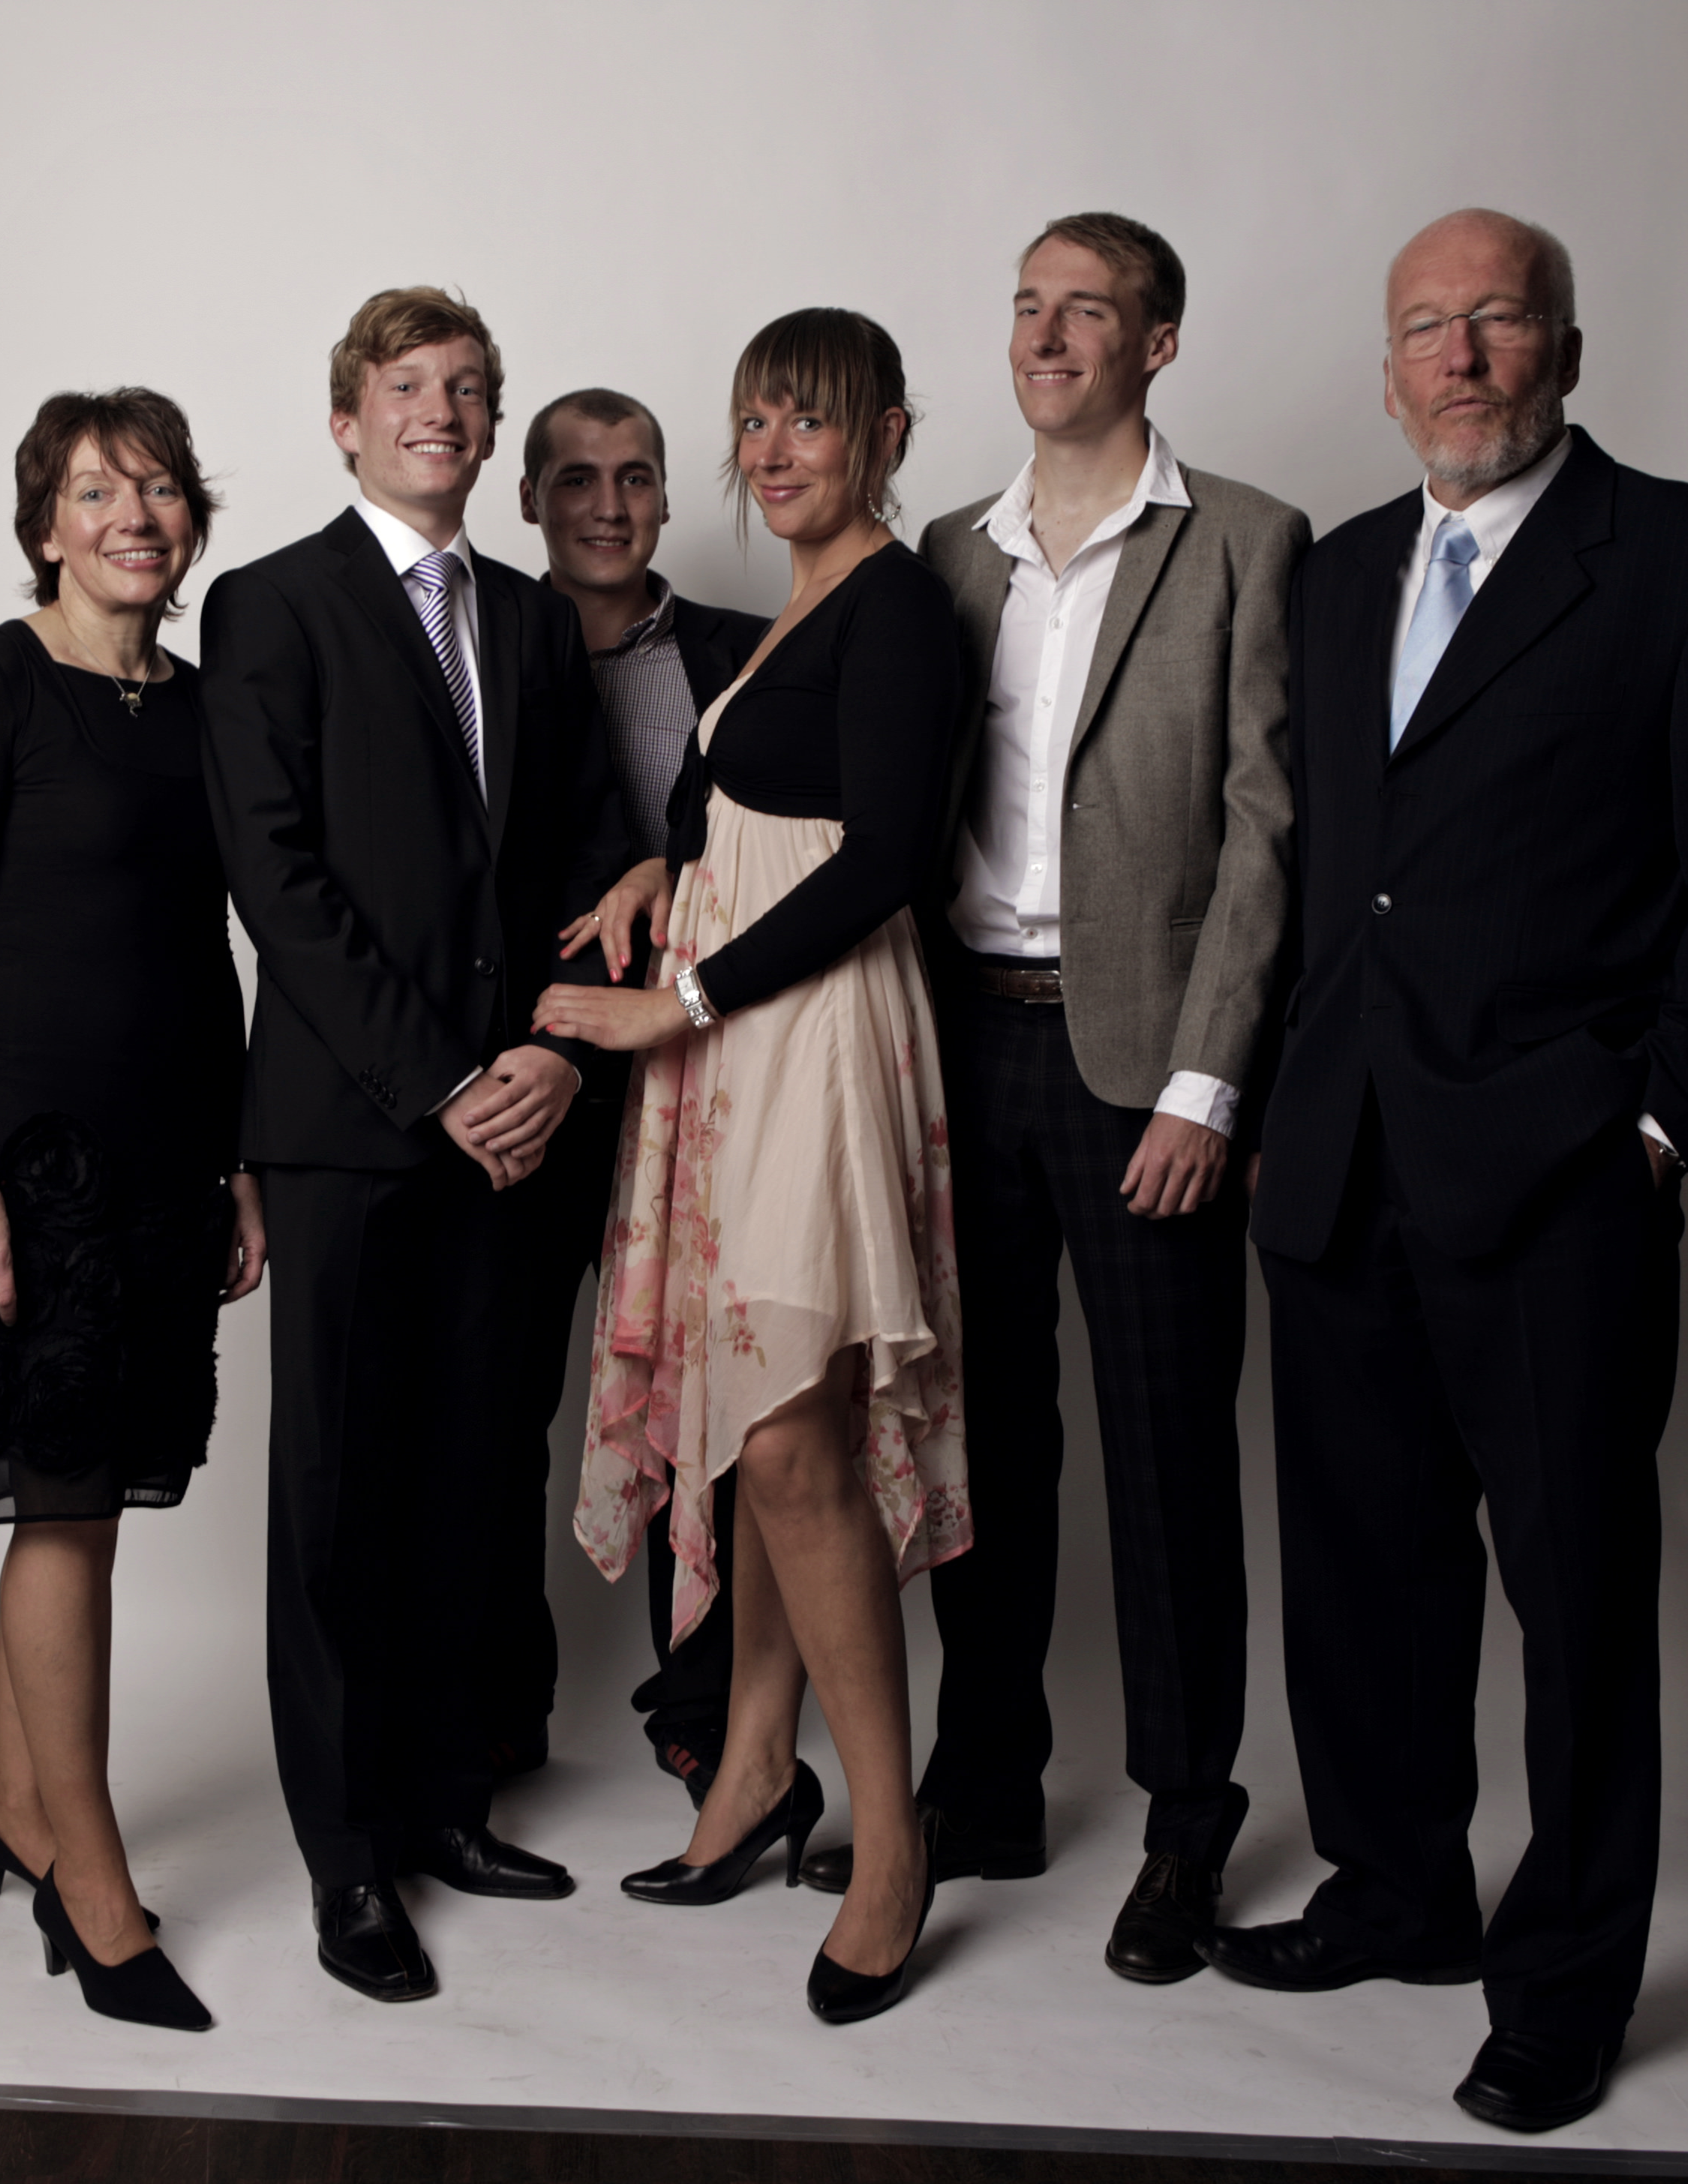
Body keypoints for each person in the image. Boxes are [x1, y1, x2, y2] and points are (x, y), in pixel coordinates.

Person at [1197, 211, 1688, 2132]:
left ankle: (1565, 1984)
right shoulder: (1342, 571)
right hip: (1341, 1166)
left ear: (1566, 345)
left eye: (1496, 320)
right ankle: (1400, 1893)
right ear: (1387, 370)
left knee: (1578, 1601)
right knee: (1364, 1575)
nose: (1460, 357)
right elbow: (1318, 871)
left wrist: (1661, 1126)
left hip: (1559, 1175)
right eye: (1426, 327)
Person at [791, 217, 1305, 1986]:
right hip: (963, 1044)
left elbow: (1267, 829)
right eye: (1028, 306)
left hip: (1147, 1068)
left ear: (1157, 343)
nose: (1048, 335)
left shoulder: (1247, 540)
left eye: (1088, 310)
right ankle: (987, 1782)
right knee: (977, 1439)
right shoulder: (946, 551)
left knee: (1169, 1456)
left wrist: (1209, 1085)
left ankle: (1187, 1821)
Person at [200, 286, 632, 2005]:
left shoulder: (529, 620)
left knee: (474, 1477)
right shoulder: (270, 606)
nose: (438, 410)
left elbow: (591, 854)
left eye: (465, 387)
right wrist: (442, 1079)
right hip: (353, 1130)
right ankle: (346, 1851)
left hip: (514, 1128)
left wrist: (550, 1057)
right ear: (348, 419)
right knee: (337, 1497)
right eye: (405, 385)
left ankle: (452, 1799)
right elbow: (279, 884)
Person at [540, 308, 969, 2026]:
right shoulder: (794, 608)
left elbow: (883, 857)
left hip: (813, 1032)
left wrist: (686, 995)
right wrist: (667, 868)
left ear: (885, 436)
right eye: (758, 423)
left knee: (792, 1432)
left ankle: (892, 1845)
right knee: (757, 1417)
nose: (775, 452)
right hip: (741, 1035)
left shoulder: (899, 606)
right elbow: (743, 803)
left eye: (813, 420)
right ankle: (756, 1769)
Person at [0, 386, 261, 2036]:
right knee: (62, 1512)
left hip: (171, 1166)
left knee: (92, 1495)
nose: (135, 518)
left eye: (160, 491)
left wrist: (239, 1160)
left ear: (192, 523)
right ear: (47, 524)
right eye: (100, 492)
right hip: (30, 1173)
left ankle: (6, 1798)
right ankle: (89, 1881)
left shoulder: (205, 706)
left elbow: (209, 950)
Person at [484, 388, 767, 1805]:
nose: (609, 505)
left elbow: (797, 847)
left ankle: (701, 1703)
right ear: (529, 499)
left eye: (638, 477)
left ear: (667, 494)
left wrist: (675, 864)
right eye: (578, 479)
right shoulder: (481, 644)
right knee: (504, 1402)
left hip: (708, 1069)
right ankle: (499, 1710)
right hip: (537, 1073)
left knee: (700, 1403)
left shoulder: (746, 653)